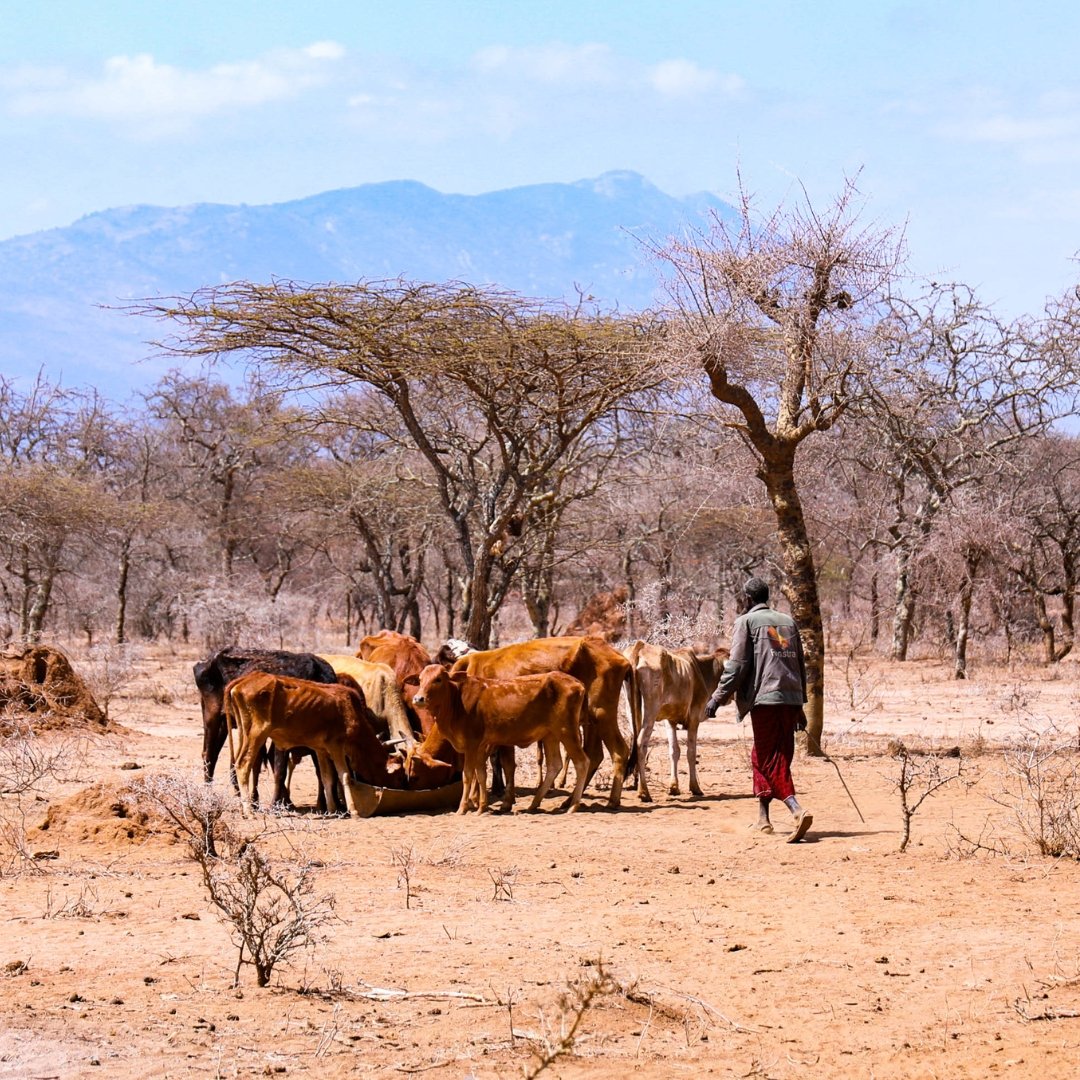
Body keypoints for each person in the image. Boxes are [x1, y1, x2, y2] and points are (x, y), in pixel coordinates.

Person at [705, 577, 813, 842]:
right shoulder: (787, 622)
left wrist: (716, 698)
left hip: (766, 701)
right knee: (772, 757)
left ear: (748, 599)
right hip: (790, 699)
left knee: (765, 759)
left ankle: (795, 809)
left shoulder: (746, 622)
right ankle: (764, 819)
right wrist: (800, 707)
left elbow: (737, 666)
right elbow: (799, 664)